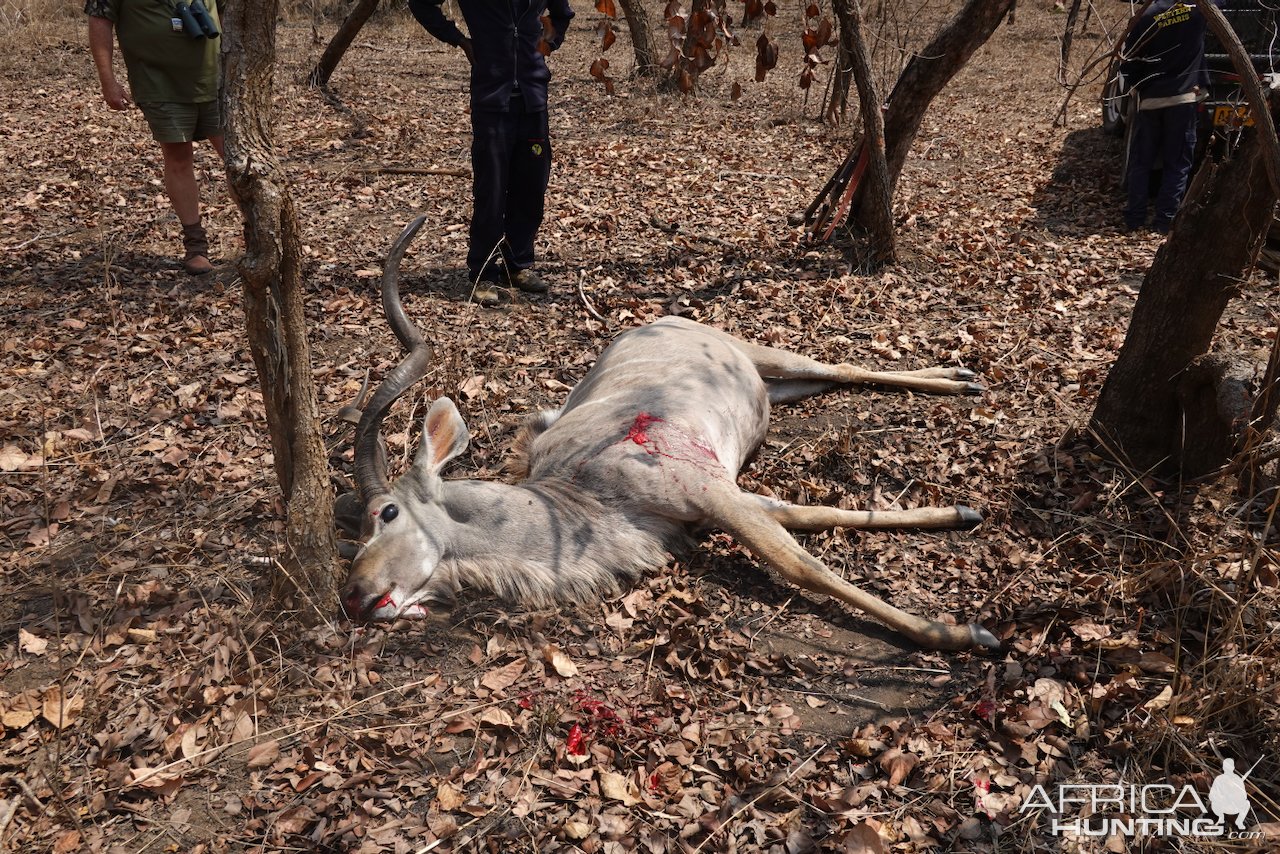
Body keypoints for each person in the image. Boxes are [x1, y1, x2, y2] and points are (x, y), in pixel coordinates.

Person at [408, 0, 574, 306]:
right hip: (491, 100)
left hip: (533, 98)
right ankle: (483, 272)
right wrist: (458, 39)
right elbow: (421, 4)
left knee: (531, 187)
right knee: (491, 190)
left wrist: (547, 43)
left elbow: (562, 14)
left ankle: (518, 265)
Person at [85, 0, 224, 274]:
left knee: (236, 157)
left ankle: (258, 234)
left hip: (216, 78)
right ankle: (196, 246)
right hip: (159, 83)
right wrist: (107, 79)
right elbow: (99, 20)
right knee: (179, 158)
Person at [1120, 0, 1210, 234]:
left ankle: (1134, 218)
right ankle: (1164, 221)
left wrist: (1140, 87)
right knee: (1177, 164)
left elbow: (1127, 62)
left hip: (1151, 101)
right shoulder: (1200, 10)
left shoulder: (1147, 14)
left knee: (1141, 162)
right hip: (1183, 99)